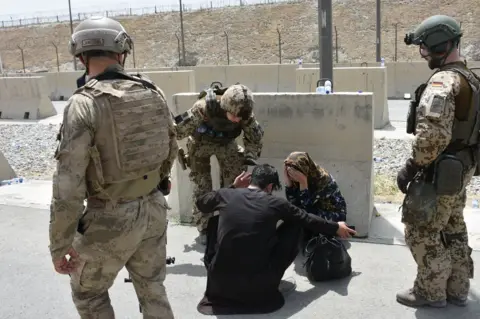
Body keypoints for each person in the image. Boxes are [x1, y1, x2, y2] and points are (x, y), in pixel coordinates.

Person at [48, 16, 177, 318]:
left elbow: (68, 186)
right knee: (153, 288)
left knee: (89, 294)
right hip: (153, 209)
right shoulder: (151, 90)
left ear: (81, 56)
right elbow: (170, 148)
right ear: (122, 52)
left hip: (109, 216)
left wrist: (60, 245)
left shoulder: (83, 104)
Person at [194, 164, 356, 315]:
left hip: (220, 286)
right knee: (296, 223)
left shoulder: (226, 195)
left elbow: (202, 203)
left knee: (215, 220)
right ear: (270, 187)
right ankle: (267, 280)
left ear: (250, 181)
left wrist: (234, 187)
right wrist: (336, 227)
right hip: (260, 291)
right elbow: (308, 219)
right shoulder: (275, 203)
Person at [398, 14, 478, 308]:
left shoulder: (443, 81)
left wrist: (410, 168)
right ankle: (457, 289)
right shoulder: (471, 78)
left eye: (425, 48)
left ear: (438, 45)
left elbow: (432, 137)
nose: (424, 55)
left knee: (421, 230)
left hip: (440, 172)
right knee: (453, 226)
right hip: (461, 170)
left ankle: (430, 291)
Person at [174, 82, 264, 244]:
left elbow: (255, 136)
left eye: (240, 118)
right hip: (200, 144)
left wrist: (250, 153)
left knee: (235, 184)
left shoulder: (243, 112)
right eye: (234, 116)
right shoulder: (204, 107)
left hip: (226, 143)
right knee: (203, 186)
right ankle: (205, 227)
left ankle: (229, 222)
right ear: (225, 107)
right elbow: (178, 130)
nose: (237, 121)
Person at [283, 151, 348, 249]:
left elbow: (307, 211)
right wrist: (288, 184)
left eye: (294, 173)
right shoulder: (300, 176)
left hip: (333, 215)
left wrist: (303, 183)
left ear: (302, 170)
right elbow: (294, 205)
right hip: (314, 211)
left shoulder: (321, 180)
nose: (292, 176)